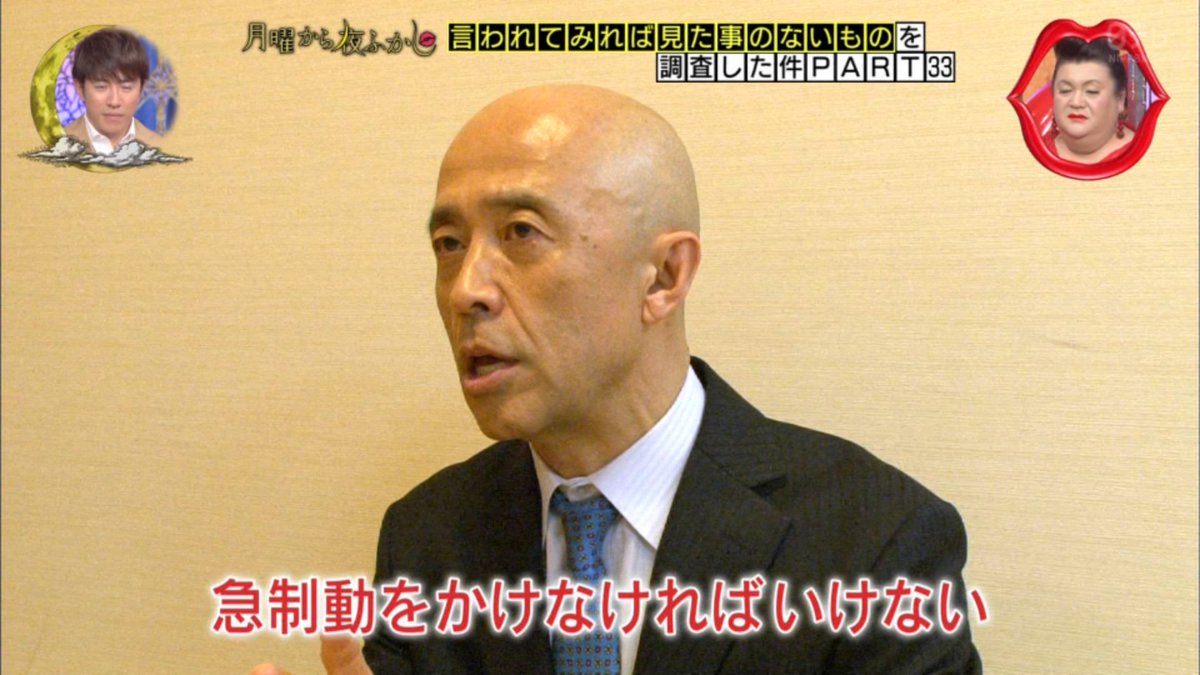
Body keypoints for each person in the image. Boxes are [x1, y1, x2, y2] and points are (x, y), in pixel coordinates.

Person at [253, 85, 982, 675]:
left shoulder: (875, 541)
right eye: (449, 243)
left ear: (663, 276)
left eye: (521, 232)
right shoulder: (429, 535)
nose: (466, 289)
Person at [62, 27, 162, 155]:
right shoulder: (55, 144)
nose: (114, 102)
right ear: (80, 88)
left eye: (126, 87)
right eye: (101, 86)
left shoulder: (160, 147)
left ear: (141, 89)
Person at [1048, 36, 1134, 164]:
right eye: (1065, 90)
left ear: (1120, 99)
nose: (1076, 102)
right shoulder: (1035, 150)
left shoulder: (1142, 156)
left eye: (1091, 91)